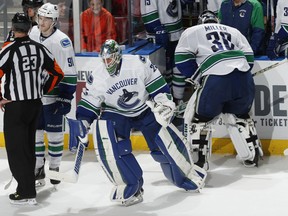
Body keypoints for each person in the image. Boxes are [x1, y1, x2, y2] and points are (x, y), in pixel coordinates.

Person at [68, 39, 207, 206]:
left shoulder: (138, 63)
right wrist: (83, 121)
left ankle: (187, 174)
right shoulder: (97, 75)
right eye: (104, 59)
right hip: (116, 112)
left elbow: (158, 87)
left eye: (110, 59)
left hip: (144, 108)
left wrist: (164, 103)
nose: (107, 63)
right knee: (111, 146)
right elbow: (89, 102)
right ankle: (130, 185)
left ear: (118, 56)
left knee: (163, 144)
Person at [175, 10, 263, 169]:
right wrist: (237, 73)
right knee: (241, 115)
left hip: (216, 79)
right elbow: (249, 58)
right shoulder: (233, 30)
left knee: (199, 119)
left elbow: (181, 59)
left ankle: (199, 162)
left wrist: (199, 78)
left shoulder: (192, 31)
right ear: (217, 21)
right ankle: (252, 155)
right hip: (244, 78)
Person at [0, 13, 64, 205]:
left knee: (16, 150)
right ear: (29, 28)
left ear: (13, 28)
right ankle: (28, 188)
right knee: (28, 147)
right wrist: (42, 89)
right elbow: (57, 73)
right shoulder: (39, 48)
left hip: (16, 107)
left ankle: (26, 192)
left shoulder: (9, 50)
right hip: (35, 105)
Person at [29, 2, 77, 187]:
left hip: (53, 95)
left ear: (54, 21)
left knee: (55, 134)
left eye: (46, 19)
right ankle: (38, 167)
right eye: (40, 18)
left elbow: (70, 71)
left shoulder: (62, 41)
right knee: (36, 133)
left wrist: (65, 97)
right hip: (34, 95)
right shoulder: (33, 33)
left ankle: (55, 167)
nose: (41, 22)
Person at [140, 0, 186, 104]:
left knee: (179, 67)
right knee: (165, 70)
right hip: (161, 36)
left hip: (178, 32)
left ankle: (178, 99)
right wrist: (157, 30)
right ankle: (168, 102)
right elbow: (148, 13)